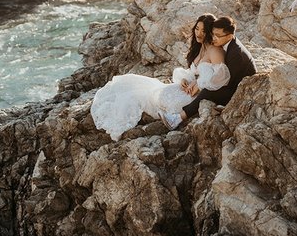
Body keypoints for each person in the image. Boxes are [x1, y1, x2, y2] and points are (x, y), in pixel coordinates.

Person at [90, 13, 231, 141]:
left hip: (197, 94)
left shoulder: (215, 51)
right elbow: (194, 72)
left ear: (210, 32)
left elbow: (222, 76)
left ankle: (173, 118)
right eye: (197, 29)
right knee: (147, 92)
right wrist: (185, 80)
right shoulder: (200, 48)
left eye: (204, 31)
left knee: (164, 99)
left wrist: (199, 85)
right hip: (189, 88)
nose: (199, 33)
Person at [180, 15, 256, 121]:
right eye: (213, 34)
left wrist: (200, 84)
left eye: (218, 35)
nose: (213, 38)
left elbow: (227, 81)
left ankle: (181, 117)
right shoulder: (226, 45)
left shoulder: (236, 52)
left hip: (240, 90)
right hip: (232, 83)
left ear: (229, 36)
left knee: (207, 91)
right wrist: (197, 82)